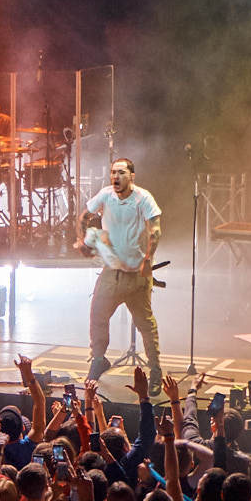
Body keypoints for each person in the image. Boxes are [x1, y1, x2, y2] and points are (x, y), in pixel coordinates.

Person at [75, 157, 163, 393]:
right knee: (97, 314)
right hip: (112, 273)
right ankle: (98, 359)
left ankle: (155, 370)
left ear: (131, 176)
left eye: (121, 173)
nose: (116, 177)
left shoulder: (143, 198)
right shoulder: (105, 195)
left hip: (136, 276)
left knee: (145, 324)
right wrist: (82, 240)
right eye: (113, 172)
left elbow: (155, 230)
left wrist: (147, 260)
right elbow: (84, 215)